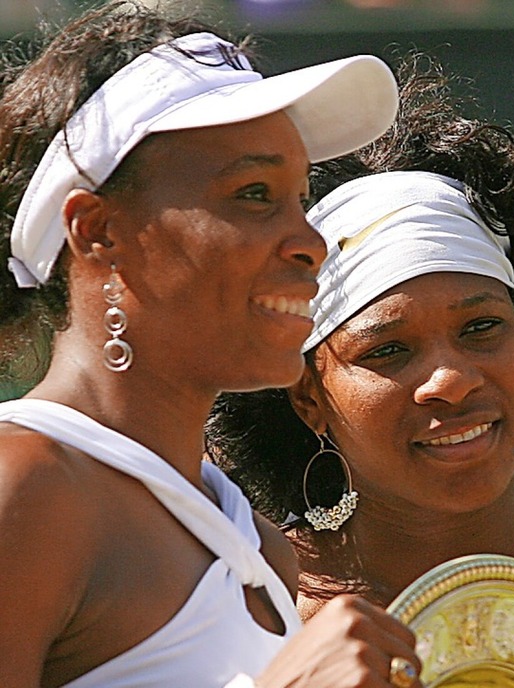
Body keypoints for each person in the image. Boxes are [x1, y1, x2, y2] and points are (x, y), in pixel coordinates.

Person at [0, 3, 427, 687]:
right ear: (97, 231)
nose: (310, 242)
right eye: (254, 193)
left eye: (300, 197)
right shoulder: (23, 488)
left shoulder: (259, 544)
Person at [206, 57, 514, 681]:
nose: (453, 379)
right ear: (307, 398)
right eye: (387, 351)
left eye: (481, 328)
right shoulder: (234, 609)